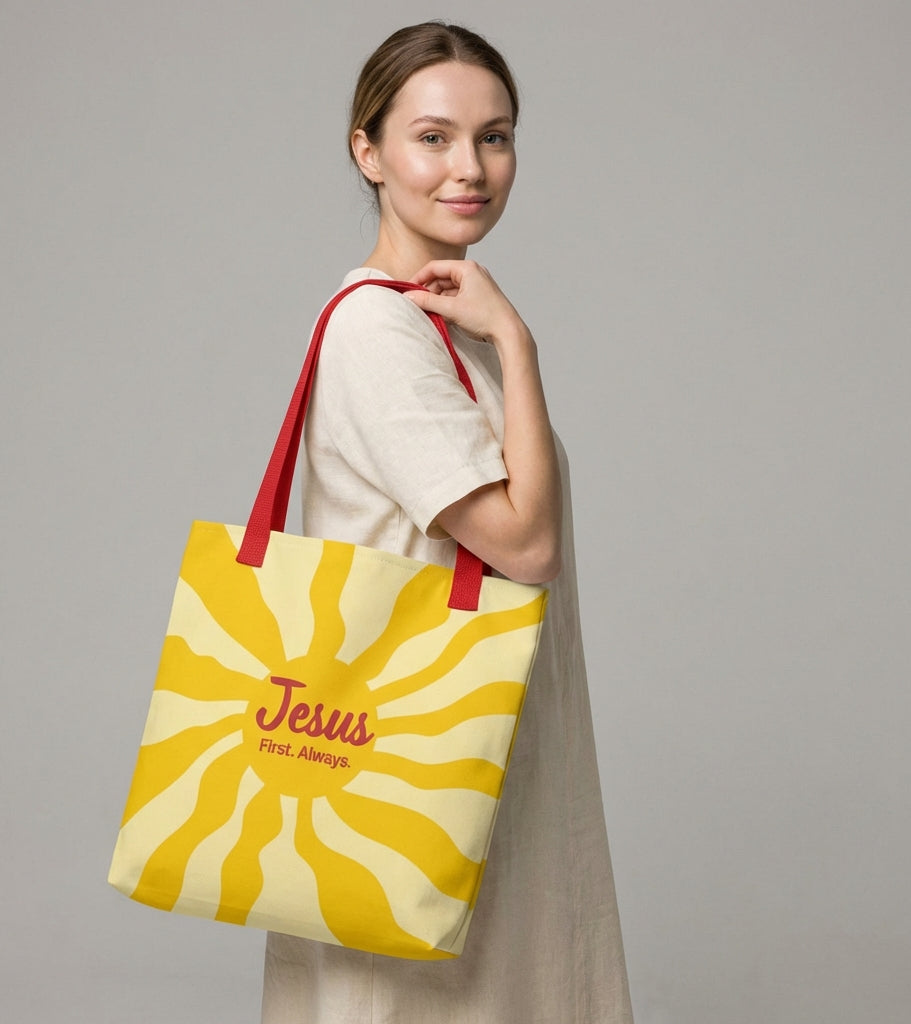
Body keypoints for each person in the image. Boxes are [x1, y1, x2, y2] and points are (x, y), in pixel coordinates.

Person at [260, 22, 633, 1024]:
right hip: (413, 772)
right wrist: (518, 337)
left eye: (495, 136)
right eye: (433, 138)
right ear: (367, 151)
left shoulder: (439, 325)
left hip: (478, 760)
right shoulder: (380, 329)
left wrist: (497, 337)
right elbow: (527, 543)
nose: (469, 168)